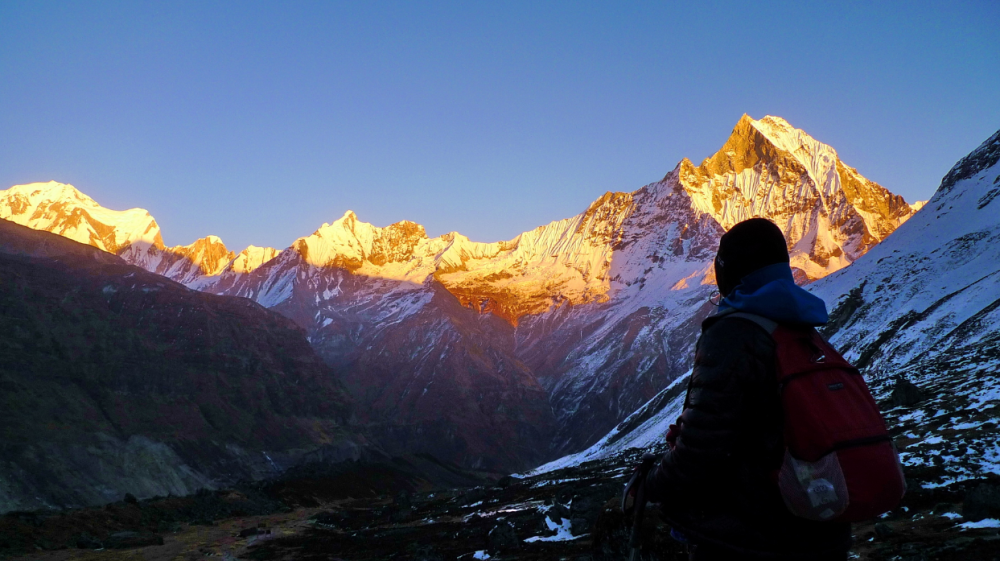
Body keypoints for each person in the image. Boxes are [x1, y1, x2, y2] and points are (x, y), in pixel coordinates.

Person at [641, 218, 852, 560]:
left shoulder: (734, 334)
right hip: (824, 530)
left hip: (758, 540)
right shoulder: (806, 329)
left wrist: (649, 483)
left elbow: (700, 451)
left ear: (728, 272)